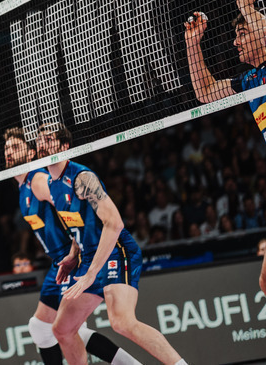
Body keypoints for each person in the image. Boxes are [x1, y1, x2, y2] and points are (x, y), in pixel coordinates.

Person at [40, 126, 187, 365]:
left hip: (116, 252)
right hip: (89, 258)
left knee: (122, 322)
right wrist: (72, 254)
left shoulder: (81, 178)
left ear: (64, 146)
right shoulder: (51, 184)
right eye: (39, 140)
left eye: (48, 139)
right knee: (62, 329)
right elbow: (77, 224)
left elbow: (114, 223)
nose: (42, 144)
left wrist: (90, 273)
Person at [185, 0, 266, 326]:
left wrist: (249, 10)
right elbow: (206, 92)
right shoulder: (250, 80)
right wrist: (192, 44)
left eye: (242, 34)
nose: (235, 41)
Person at [4, 127, 141, 365]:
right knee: (44, 327)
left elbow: (66, 199)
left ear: (29, 152)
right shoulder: (21, 189)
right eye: (6, 148)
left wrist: (76, 248)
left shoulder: (37, 181)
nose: (8, 152)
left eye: (15, 147)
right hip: (58, 264)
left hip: (73, 258)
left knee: (63, 329)